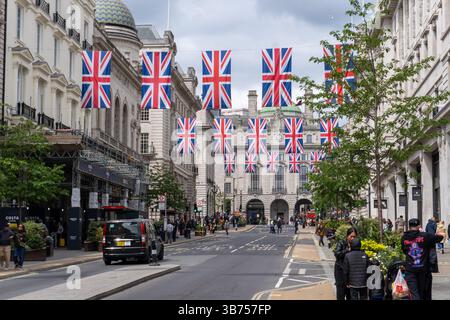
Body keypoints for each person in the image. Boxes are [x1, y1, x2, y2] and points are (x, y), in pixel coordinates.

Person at [401, 218, 444, 300]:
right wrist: (440, 234)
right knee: (424, 293)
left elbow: (404, 250)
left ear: (409, 226)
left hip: (410, 269)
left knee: (414, 293)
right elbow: (439, 238)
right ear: (419, 226)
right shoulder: (425, 236)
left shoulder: (404, 237)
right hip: (423, 269)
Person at [334, 227, 358, 300]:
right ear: (347, 236)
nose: (353, 238)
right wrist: (347, 250)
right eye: (351, 236)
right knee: (341, 294)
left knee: (349, 295)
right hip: (340, 271)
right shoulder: (341, 243)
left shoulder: (356, 245)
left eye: (354, 237)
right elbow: (337, 254)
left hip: (350, 274)